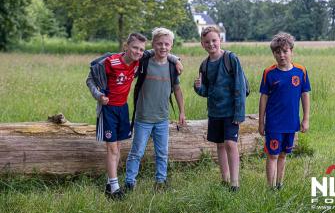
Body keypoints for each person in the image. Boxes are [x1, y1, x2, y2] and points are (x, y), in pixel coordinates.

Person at [86, 32, 182, 199]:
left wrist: (175, 59)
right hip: (111, 109)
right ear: (126, 47)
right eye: (134, 48)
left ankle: (113, 183)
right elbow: (90, 78)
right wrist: (99, 96)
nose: (138, 52)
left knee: (121, 148)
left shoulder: (138, 62)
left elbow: (159, 51)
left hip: (124, 109)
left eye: (140, 49)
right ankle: (118, 187)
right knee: (115, 148)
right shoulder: (118, 61)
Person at [125, 27, 186, 191]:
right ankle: (129, 182)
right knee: (136, 152)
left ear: (171, 45)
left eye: (167, 44)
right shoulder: (144, 62)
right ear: (153, 44)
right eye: (159, 44)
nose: (163, 47)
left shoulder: (173, 67)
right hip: (143, 118)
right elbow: (130, 63)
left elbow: (177, 90)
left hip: (162, 119)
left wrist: (181, 111)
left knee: (162, 153)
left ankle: (160, 182)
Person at [194, 26, 246, 192]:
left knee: (231, 143)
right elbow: (207, 92)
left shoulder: (230, 58)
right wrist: (198, 88)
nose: (211, 44)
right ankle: (225, 179)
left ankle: (235, 183)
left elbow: (240, 86)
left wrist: (239, 112)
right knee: (220, 145)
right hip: (215, 112)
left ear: (220, 40)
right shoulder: (205, 65)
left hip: (231, 111)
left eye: (214, 40)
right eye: (207, 42)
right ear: (202, 44)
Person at [258, 32, 311, 190]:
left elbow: (305, 95)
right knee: (273, 154)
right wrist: (261, 122)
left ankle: (280, 184)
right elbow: (263, 98)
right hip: (274, 123)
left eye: (285, 51)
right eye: (277, 52)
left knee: (283, 154)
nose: (281, 55)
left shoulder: (301, 71)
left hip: (291, 122)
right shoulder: (269, 73)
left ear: (291, 51)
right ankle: (270, 188)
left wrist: (306, 119)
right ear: (274, 54)